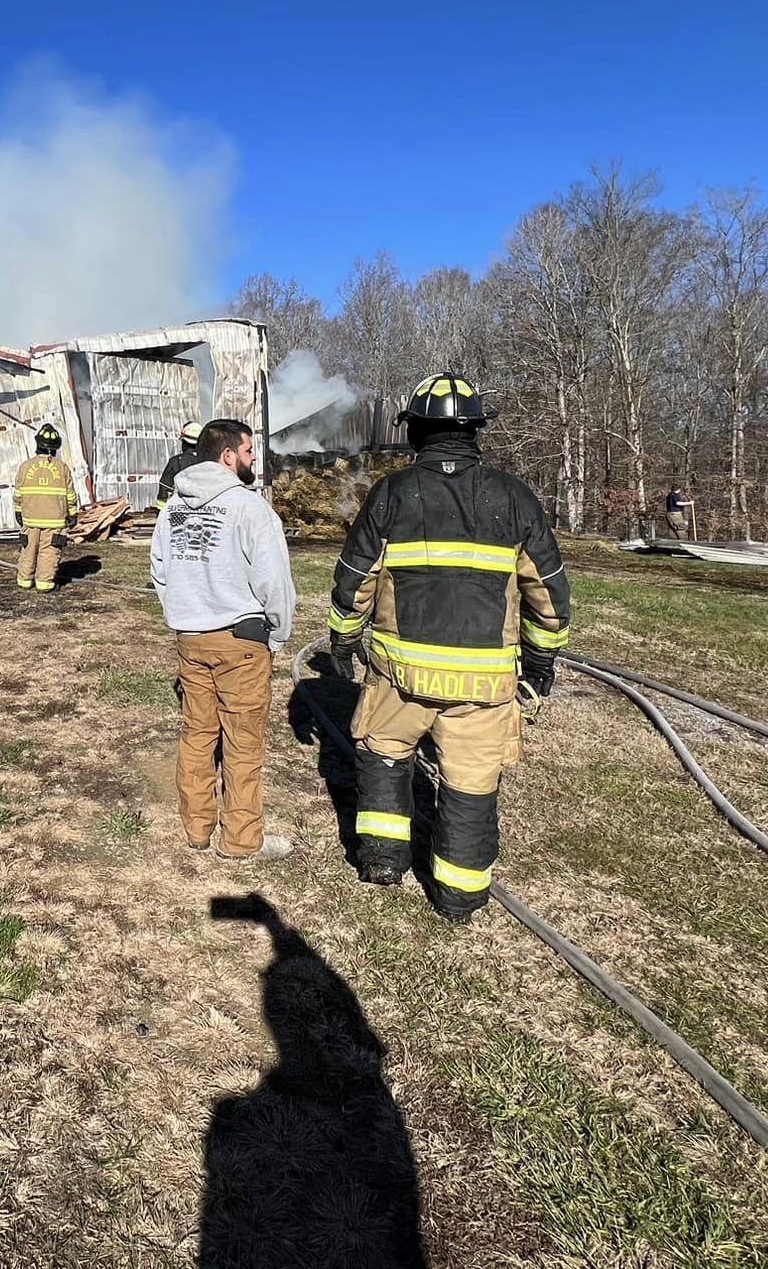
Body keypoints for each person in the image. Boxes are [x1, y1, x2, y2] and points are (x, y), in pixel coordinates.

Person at [326, 373, 571, 921]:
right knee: (470, 783)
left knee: (385, 757)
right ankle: (459, 894)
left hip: (399, 677)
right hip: (483, 685)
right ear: (475, 430)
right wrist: (540, 661)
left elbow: (354, 580)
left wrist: (343, 639)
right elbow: (548, 592)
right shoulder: (514, 497)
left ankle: (383, 859)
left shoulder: (390, 494)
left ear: (414, 430)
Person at [151, 418, 298, 861]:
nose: (255, 459)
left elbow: (160, 571)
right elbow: (275, 582)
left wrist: (185, 611)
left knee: (197, 735)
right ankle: (241, 840)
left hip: (190, 640)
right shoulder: (249, 508)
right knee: (242, 742)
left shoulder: (172, 510)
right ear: (228, 456)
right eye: (250, 451)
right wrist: (278, 634)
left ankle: (197, 830)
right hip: (242, 644)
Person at [13, 423, 78, 591]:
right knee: (49, 552)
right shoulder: (62, 468)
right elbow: (70, 495)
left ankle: (24, 581)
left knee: (28, 549)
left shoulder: (25, 466)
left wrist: (18, 511)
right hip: (54, 521)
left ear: (37, 445)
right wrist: (73, 514)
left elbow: (18, 493)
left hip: (30, 519)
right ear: (55, 448)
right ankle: (44, 583)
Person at [156, 420, 206, 508]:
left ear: (184, 443)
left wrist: (162, 512)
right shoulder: (210, 461)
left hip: (180, 512)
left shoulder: (176, 461)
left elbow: (164, 489)